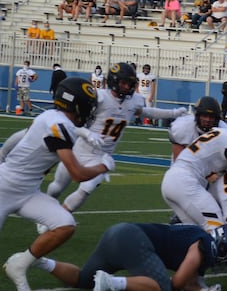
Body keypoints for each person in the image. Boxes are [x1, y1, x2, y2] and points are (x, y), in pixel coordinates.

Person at [0, 77, 111, 291]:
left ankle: (20, 264)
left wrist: (84, 133)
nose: (90, 111)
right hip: (3, 190)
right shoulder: (57, 124)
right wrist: (105, 165)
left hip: (28, 192)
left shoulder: (51, 118)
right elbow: (77, 174)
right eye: (88, 104)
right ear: (76, 103)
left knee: (65, 224)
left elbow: (22, 136)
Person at [44, 63, 186, 217]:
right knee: (58, 186)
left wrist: (173, 113)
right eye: (123, 83)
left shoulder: (134, 101)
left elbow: (147, 112)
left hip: (101, 156)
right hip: (81, 149)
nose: (126, 87)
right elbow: (73, 125)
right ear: (113, 81)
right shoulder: (100, 98)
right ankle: (46, 211)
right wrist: (86, 134)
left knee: (86, 189)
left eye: (130, 84)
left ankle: (57, 218)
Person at [33, 222, 227, 291]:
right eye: (226, 254)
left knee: (82, 280)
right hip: (133, 240)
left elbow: (188, 281)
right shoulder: (201, 245)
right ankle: (112, 282)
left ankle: (42, 262)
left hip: (117, 232)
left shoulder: (198, 236)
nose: (224, 259)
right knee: (162, 290)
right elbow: (178, 283)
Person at [169, 96, 227, 161]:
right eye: (204, 116)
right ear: (197, 116)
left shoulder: (224, 130)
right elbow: (178, 161)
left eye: (212, 117)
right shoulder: (183, 127)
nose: (208, 120)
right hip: (184, 164)